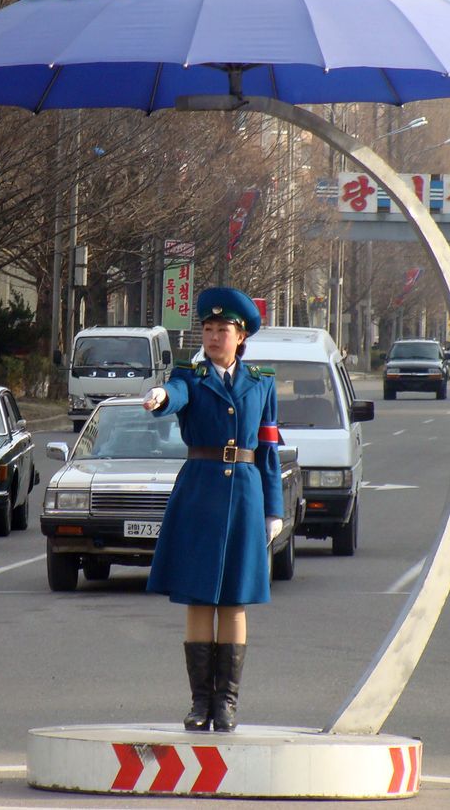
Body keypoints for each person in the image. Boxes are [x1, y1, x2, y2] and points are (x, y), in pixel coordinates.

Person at [141, 287, 284, 734]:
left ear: (241, 337)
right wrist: (161, 397)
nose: (214, 336)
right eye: (208, 329)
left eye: (223, 330)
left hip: (244, 494)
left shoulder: (261, 383)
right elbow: (175, 393)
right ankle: (200, 702)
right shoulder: (190, 375)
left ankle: (227, 705)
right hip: (200, 491)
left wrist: (273, 507)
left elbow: (267, 451)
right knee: (200, 598)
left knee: (235, 600)